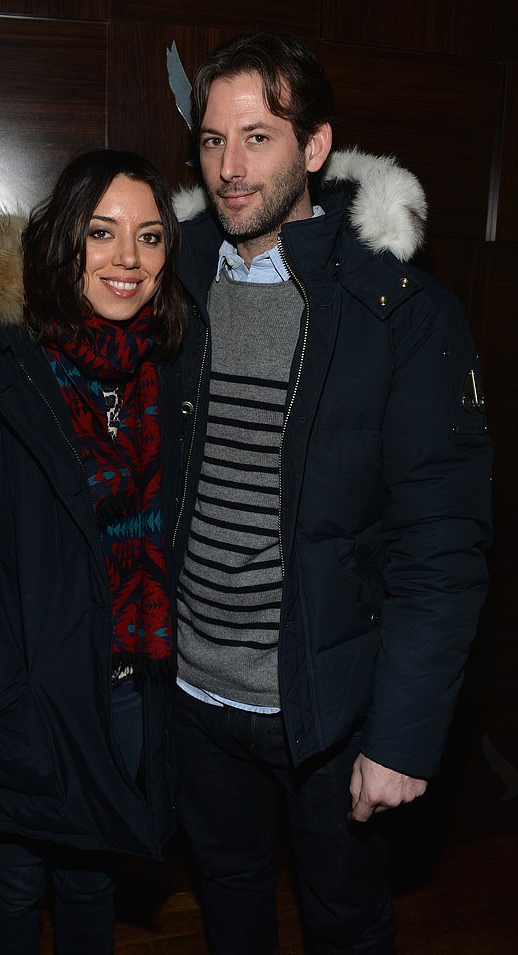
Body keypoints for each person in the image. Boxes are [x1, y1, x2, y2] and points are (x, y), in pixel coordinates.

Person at [168, 32, 493, 954]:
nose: (229, 168)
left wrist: (402, 734)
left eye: (258, 137)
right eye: (211, 140)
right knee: (228, 905)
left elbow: (442, 544)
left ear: (314, 147)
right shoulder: (172, 287)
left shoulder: (401, 312)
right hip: (193, 699)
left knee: (346, 921)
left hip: (328, 710)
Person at [0, 149, 187, 955]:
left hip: (128, 689)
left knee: (95, 876)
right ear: (64, 239)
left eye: (151, 236)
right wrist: (5, 700)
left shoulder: (168, 368)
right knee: (15, 880)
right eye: (104, 232)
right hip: (21, 687)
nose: (129, 258)